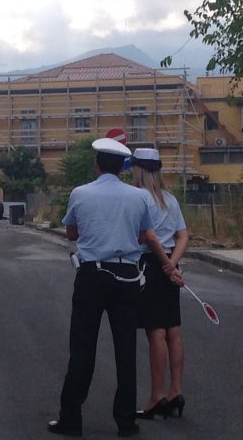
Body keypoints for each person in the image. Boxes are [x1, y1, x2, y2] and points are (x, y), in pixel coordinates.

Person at [48, 138, 175, 438]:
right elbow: (145, 234)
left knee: (82, 348)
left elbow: (71, 232)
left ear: (96, 164)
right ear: (123, 167)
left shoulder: (80, 193)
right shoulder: (139, 197)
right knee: (125, 350)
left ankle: (71, 418)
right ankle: (126, 422)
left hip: (92, 274)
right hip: (127, 277)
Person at [129, 148, 189, 420]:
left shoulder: (138, 198)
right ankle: (176, 391)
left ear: (139, 170)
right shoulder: (170, 199)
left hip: (149, 267)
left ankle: (157, 396)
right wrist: (173, 264)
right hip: (169, 267)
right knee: (173, 330)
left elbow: (146, 237)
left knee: (155, 331)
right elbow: (183, 236)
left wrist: (164, 264)